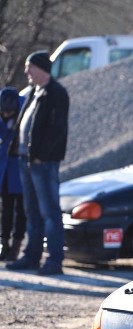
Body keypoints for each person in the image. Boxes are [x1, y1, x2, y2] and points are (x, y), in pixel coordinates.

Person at [7, 51, 69, 275]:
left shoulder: (56, 93)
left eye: (29, 67)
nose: (26, 72)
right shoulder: (34, 92)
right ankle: (31, 257)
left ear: (41, 68)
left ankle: (54, 260)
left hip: (43, 163)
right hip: (26, 160)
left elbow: (57, 129)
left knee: (49, 211)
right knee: (31, 211)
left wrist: (41, 155)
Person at [0, 87, 25, 261]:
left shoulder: (24, 111)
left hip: (22, 168)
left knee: (22, 209)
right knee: (6, 208)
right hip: (5, 168)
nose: (6, 114)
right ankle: (4, 243)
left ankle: (17, 245)